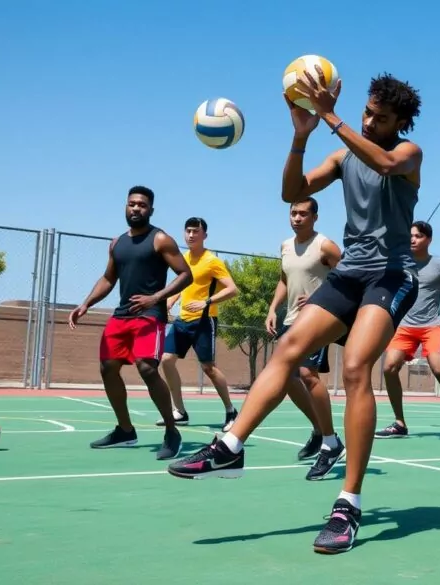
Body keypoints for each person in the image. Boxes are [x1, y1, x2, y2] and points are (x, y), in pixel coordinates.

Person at [169, 70, 423, 555]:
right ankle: (230, 447)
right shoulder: (343, 154)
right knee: (288, 349)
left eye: (381, 117)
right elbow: (293, 191)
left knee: (353, 368)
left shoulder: (408, 155)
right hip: (351, 273)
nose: (370, 121)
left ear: (401, 122)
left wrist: (329, 115)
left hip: (391, 276)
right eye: (367, 112)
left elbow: (388, 164)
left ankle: (348, 503)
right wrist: (301, 137)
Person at [68, 185, 194, 460]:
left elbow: (186, 275)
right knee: (107, 367)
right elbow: (108, 279)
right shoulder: (117, 243)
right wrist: (85, 304)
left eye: (142, 205)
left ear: (151, 210)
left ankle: (172, 431)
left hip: (150, 315)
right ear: (126, 207)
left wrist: (156, 297)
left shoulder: (160, 239)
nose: (136, 208)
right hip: (122, 315)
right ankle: (125, 430)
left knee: (147, 368)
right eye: (132, 204)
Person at [266, 196, 346, 480]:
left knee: (306, 373)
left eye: (303, 214)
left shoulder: (325, 245)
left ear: (315, 217)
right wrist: (272, 309)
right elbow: (284, 279)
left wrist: (318, 296)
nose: (297, 217)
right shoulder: (286, 246)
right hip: (290, 320)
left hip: (317, 318)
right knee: (287, 378)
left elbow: (347, 274)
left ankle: (330, 442)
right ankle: (319, 429)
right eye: (293, 213)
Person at [375, 220, 440, 444]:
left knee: (439, 370)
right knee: (390, 367)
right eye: (410, 235)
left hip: (431, 326)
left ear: (428, 240)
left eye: (418, 236)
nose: (412, 239)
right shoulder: (399, 263)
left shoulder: (439, 265)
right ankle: (399, 423)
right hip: (404, 326)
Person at [157, 217, 239, 433]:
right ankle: (180, 412)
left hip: (204, 321)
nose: (191, 235)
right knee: (166, 360)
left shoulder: (212, 261)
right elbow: (182, 286)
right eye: (188, 231)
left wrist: (207, 301)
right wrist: (170, 302)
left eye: (196, 231)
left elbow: (232, 289)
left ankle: (231, 411)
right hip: (182, 320)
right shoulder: (183, 259)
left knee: (208, 368)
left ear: (204, 235)